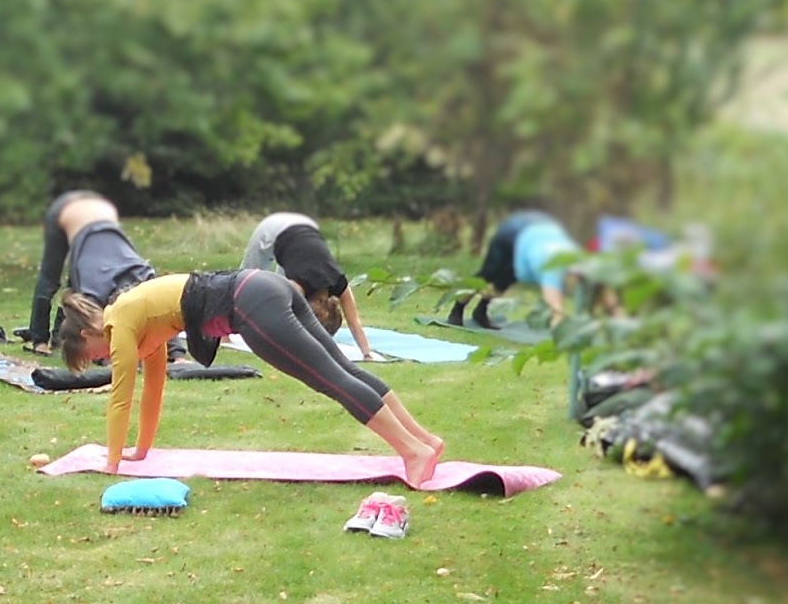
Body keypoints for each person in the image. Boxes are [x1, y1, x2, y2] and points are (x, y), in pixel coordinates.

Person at [60, 270, 445, 489]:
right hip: (263, 285)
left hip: (250, 305)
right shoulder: (134, 315)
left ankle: (413, 452)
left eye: (90, 357)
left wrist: (112, 464)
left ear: (85, 336)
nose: (101, 360)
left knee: (330, 379)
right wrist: (140, 451)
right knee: (343, 370)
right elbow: (154, 387)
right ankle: (424, 440)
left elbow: (121, 397)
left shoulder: (120, 324)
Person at [24, 191, 156, 354]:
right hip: (66, 211)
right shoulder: (94, 291)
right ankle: (39, 340)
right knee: (50, 280)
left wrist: (175, 353)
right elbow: (90, 320)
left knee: (78, 281)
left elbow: (162, 309)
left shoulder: (143, 276)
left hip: (100, 212)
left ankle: (59, 337)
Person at [240, 211, 383, 360]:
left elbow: (354, 321)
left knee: (280, 285)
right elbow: (281, 319)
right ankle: (223, 336)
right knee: (244, 284)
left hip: (304, 228)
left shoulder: (339, 283)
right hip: (273, 229)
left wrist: (367, 354)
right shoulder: (297, 287)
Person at [448, 210, 583, 328]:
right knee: (488, 273)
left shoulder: (579, 259)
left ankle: (480, 311)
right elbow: (555, 310)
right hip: (514, 230)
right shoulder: (553, 267)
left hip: (538, 230)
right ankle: (457, 309)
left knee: (508, 277)